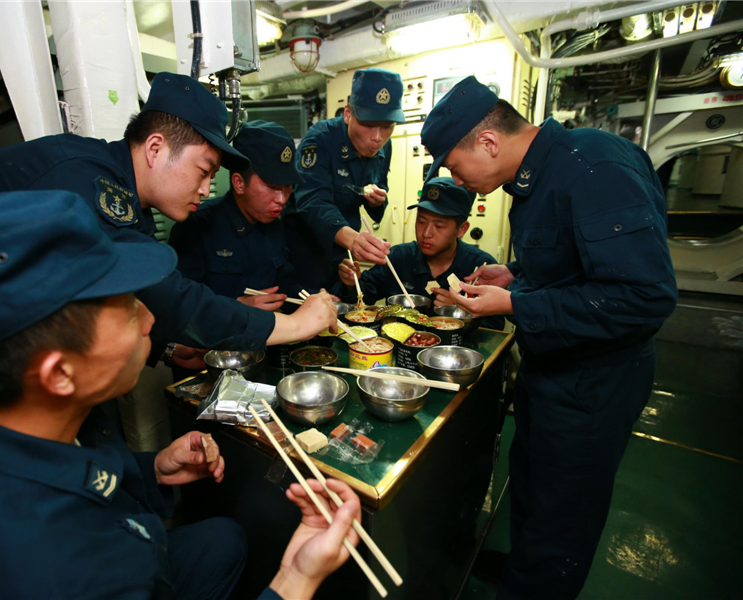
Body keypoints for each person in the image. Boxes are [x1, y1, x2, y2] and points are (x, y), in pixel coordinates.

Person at [0, 190, 360, 600]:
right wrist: (297, 576)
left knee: (223, 539)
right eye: (129, 310)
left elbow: (69, 469)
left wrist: (150, 470)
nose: (150, 320)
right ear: (59, 372)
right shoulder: (71, 570)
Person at [0, 72, 336, 472]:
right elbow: (171, 297)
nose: (208, 188)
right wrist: (296, 325)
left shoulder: (122, 195)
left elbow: (127, 299)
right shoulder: (90, 183)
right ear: (156, 148)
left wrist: (166, 344)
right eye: (205, 170)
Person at [420, 77, 677, 599]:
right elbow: (577, 266)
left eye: (453, 166)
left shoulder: (591, 168)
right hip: (553, 366)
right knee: (533, 482)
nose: (457, 179)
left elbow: (643, 295)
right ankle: (524, 570)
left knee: (565, 508)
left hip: (594, 382)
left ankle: (540, 584)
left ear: (487, 143)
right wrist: (516, 277)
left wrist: (517, 304)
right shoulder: (539, 175)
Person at [283, 68, 405, 290]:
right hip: (306, 250)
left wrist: (377, 201)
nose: (377, 137)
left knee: (344, 309)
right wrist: (353, 239)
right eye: (368, 124)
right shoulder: (320, 140)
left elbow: (381, 187)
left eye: (387, 126)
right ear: (348, 114)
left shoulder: (385, 147)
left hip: (343, 252)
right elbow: (312, 201)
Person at [334, 176, 505, 330]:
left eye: (439, 226)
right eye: (421, 221)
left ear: (462, 229)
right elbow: (364, 296)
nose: (426, 233)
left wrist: (461, 311)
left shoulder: (480, 267)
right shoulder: (398, 257)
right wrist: (351, 281)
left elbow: (495, 328)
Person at [169, 120, 304, 311]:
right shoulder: (196, 228)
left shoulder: (274, 224)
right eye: (272, 187)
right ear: (239, 183)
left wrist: (313, 301)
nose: (282, 199)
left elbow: (285, 285)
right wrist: (235, 308)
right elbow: (179, 307)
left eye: (288, 187)